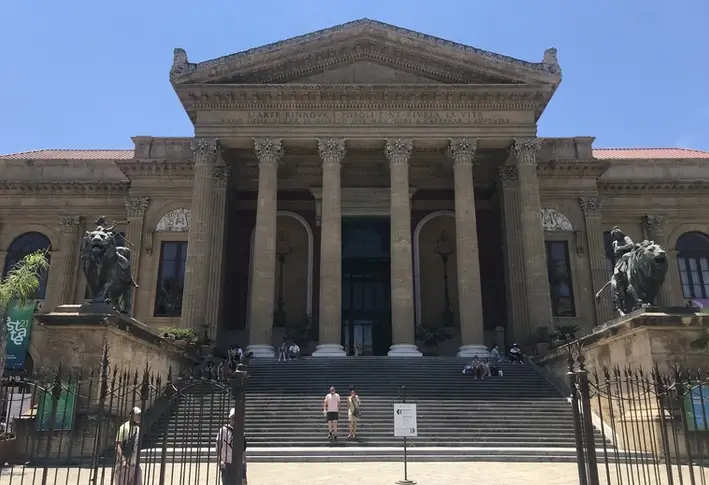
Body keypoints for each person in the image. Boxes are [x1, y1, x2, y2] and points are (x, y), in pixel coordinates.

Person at [216, 408, 248, 485]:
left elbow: (243, 449)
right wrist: (219, 460)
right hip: (227, 462)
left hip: (239, 462)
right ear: (230, 418)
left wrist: (245, 461)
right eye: (233, 417)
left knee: (243, 482)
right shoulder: (223, 430)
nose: (234, 419)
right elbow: (218, 446)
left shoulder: (241, 431)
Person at [114, 407, 142, 485]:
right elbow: (117, 445)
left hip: (135, 464)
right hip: (124, 465)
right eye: (137, 415)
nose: (139, 417)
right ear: (131, 416)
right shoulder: (124, 428)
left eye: (140, 415)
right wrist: (123, 461)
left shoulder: (138, 429)